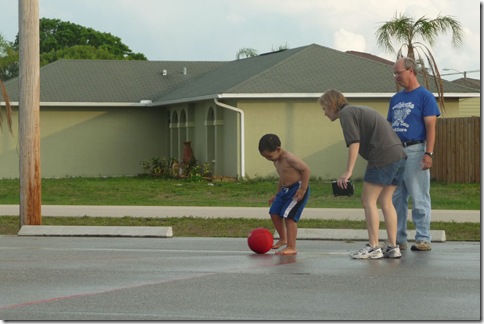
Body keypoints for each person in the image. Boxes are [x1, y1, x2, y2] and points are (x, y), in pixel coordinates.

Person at [319, 89, 407, 259]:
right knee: (386, 201)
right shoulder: (357, 110)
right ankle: (392, 246)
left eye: (324, 108)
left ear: (331, 105)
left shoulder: (346, 114)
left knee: (368, 201)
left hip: (382, 157)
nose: (324, 113)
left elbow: (354, 143)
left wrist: (348, 171)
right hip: (399, 155)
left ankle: (374, 247)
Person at [388, 57, 441, 252]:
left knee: (419, 196)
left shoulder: (425, 96)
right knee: (396, 198)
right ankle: (398, 238)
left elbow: (431, 127)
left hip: (416, 150)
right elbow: (389, 126)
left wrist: (428, 153)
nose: (396, 77)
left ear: (411, 71)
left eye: (398, 72)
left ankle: (423, 238)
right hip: (396, 152)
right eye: (394, 73)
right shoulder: (396, 99)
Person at [258, 133, 310, 255]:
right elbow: (282, 177)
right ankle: (283, 238)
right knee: (274, 212)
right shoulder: (276, 160)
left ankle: (292, 247)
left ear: (278, 149)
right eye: (266, 158)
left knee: (289, 217)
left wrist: (302, 189)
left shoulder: (289, 158)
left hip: (296, 189)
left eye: (269, 156)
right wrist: (277, 194)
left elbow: (306, 169)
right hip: (285, 190)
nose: (269, 159)